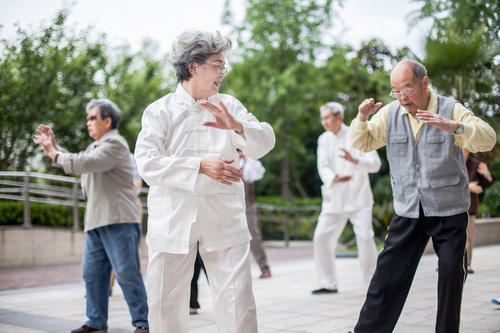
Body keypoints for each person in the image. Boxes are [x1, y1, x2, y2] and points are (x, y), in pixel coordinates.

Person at [134, 30, 275, 333]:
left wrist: (236, 126)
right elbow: (147, 163)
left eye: (224, 66)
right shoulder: (159, 111)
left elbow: (264, 142)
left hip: (224, 215)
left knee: (238, 300)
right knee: (164, 304)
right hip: (173, 217)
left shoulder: (229, 105)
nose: (223, 73)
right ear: (194, 66)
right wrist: (199, 166)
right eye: (219, 65)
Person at [350, 59, 496, 333]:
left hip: (449, 211)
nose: (401, 97)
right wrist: (361, 118)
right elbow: (362, 142)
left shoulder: (451, 109)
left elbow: (487, 138)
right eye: (395, 91)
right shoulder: (390, 114)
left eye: (406, 89)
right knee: (387, 277)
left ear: (424, 82)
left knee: (452, 276)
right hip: (408, 210)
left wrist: (452, 126)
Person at [33, 99, 149, 333]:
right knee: (93, 274)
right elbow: (82, 162)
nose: (88, 122)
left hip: (118, 220)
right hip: (97, 221)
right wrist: (54, 149)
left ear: (107, 121)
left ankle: (143, 324)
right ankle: (96, 324)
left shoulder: (115, 143)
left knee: (126, 273)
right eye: (87, 118)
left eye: (92, 117)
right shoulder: (96, 146)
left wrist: (56, 154)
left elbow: (85, 163)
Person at [312, 102, 381, 295]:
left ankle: (372, 282)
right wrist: (333, 178)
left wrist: (355, 161)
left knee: (365, 237)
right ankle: (328, 282)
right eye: (322, 118)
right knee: (321, 238)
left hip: (359, 198)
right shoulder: (323, 139)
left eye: (327, 117)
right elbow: (322, 166)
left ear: (339, 116)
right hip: (334, 199)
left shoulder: (356, 133)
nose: (324, 122)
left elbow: (375, 164)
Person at [237, 149, 272, 279]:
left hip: (247, 206)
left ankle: (264, 267)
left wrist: (246, 157)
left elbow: (259, 173)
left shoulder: (247, 164)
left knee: (254, 236)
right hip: (229, 205)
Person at [463, 149, 494, 274]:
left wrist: (487, 174)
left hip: (470, 207)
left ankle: (468, 264)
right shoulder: (451, 160)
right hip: (452, 205)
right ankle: (447, 263)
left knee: (469, 237)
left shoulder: (475, 163)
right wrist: (468, 186)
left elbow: (487, 183)